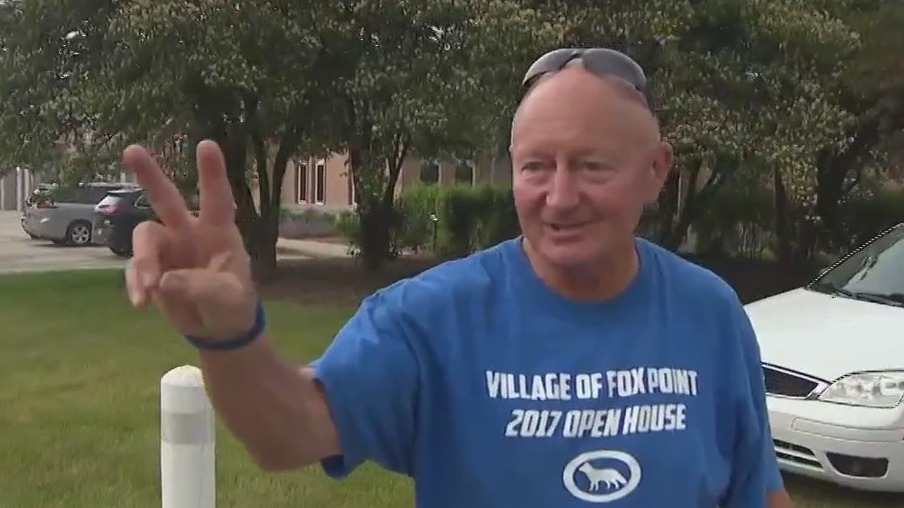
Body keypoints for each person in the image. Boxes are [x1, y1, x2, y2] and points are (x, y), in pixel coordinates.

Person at [124, 48, 794, 507]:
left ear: (655, 170)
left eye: (592, 167)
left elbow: (758, 490)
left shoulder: (708, 312)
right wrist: (233, 340)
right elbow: (289, 433)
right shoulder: (430, 319)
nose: (559, 197)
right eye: (536, 167)